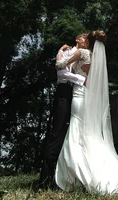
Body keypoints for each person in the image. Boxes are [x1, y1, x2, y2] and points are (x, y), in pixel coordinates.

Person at [54, 30, 118, 194]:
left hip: (79, 94)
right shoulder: (93, 56)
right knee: (85, 132)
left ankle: (79, 174)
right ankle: (83, 171)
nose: (82, 40)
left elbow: (60, 66)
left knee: (76, 129)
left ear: (88, 42)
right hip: (86, 94)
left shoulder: (81, 52)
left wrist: (60, 51)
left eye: (85, 38)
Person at [37, 33, 89, 191]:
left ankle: (67, 176)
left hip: (76, 94)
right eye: (84, 37)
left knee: (71, 134)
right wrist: (81, 80)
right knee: (57, 132)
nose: (86, 40)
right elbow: (61, 73)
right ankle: (45, 181)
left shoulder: (83, 55)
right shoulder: (66, 52)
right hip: (64, 92)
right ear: (77, 39)